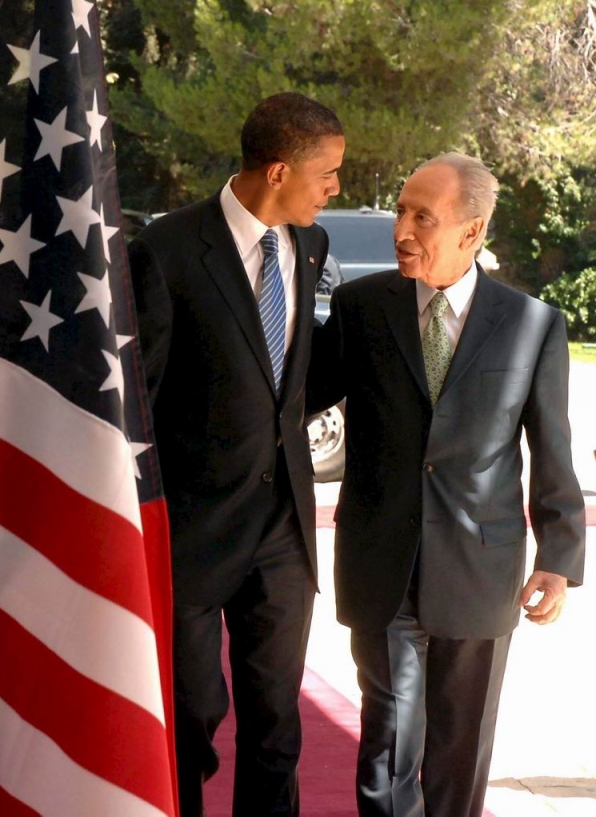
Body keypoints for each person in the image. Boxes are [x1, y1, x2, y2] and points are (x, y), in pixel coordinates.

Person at [309, 153, 586, 817]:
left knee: (461, 749)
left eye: (422, 217)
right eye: (401, 211)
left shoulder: (532, 324)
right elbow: (293, 403)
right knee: (387, 742)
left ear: (472, 231)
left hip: (481, 567)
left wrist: (559, 556)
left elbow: (552, 446)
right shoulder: (360, 308)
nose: (401, 229)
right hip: (381, 560)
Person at [128, 92, 345, 817]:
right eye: (327, 173)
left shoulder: (311, 245)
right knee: (190, 718)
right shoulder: (165, 250)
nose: (335, 188)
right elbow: (139, 401)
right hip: (192, 528)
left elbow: (287, 383)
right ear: (279, 171)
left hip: (284, 525)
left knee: (277, 725)